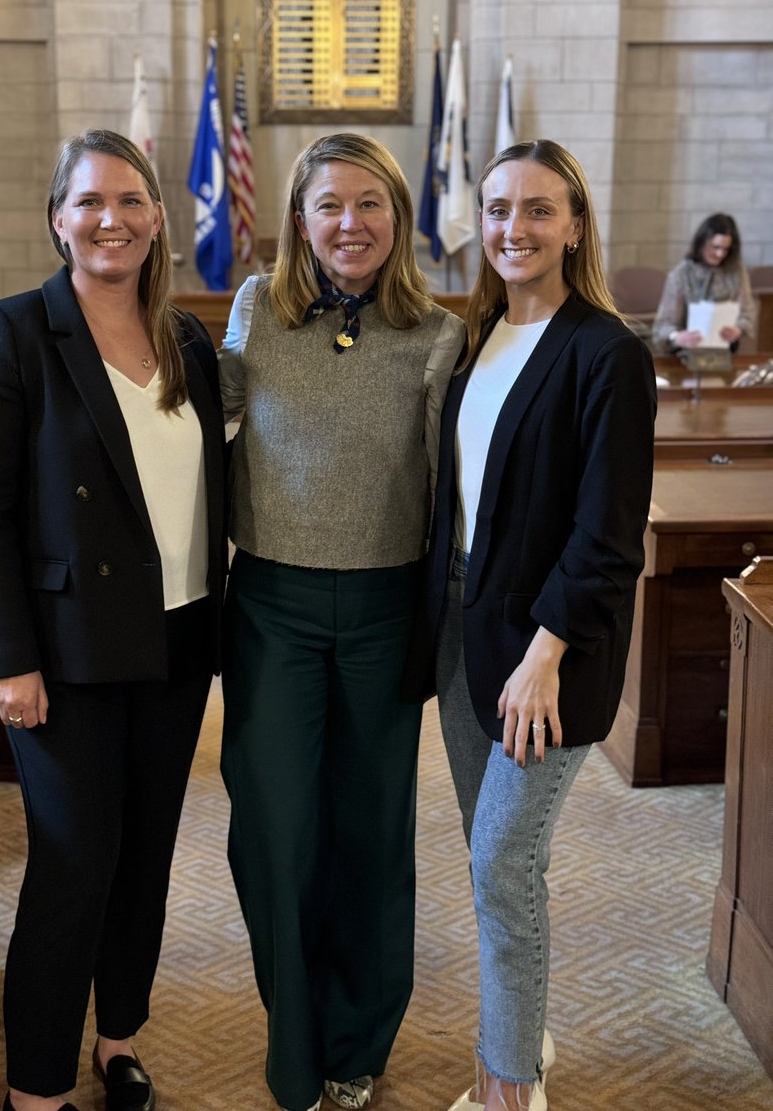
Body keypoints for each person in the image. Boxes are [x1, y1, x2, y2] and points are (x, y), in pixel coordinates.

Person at [0, 128, 227, 1111]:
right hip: (65, 657)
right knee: (74, 863)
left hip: (178, 638)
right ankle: (34, 1087)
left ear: (159, 219)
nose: (109, 219)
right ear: (58, 219)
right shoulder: (12, 331)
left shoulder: (190, 337)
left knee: (146, 854)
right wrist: (10, 658)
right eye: (88, 202)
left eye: (130, 202)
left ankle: (117, 1039)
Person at [404, 140, 656, 1111]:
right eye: (500, 209)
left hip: (547, 651)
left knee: (505, 863)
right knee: (491, 857)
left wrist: (546, 654)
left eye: (540, 210)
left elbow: (608, 534)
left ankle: (509, 1091)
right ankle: (523, 1035)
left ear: (577, 224)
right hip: (466, 632)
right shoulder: (475, 340)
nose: (516, 228)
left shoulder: (607, 352)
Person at [217, 132, 465, 1111]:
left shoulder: (436, 333)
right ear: (299, 220)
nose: (349, 224)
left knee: (370, 833)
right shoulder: (254, 310)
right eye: (329, 205)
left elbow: (466, 479)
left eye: (370, 204)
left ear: (398, 219)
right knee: (273, 827)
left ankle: (357, 1046)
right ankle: (296, 1040)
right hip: (270, 605)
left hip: (381, 610)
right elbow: (196, 414)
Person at [653, 212, 756, 352]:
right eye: (715, 247)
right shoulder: (681, 274)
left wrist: (738, 329)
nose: (720, 254)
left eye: (725, 249)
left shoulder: (736, 272)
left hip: (725, 349)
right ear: (702, 243)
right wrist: (676, 336)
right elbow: (663, 325)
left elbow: (747, 314)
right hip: (685, 352)